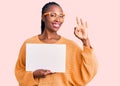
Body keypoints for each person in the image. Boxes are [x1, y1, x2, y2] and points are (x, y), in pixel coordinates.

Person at [15, 2, 98, 86]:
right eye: (53, 15)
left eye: (61, 16)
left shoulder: (71, 46)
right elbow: (19, 71)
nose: (58, 19)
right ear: (43, 17)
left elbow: (89, 70)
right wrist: (33, 75)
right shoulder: (29, 43)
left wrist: (85, 40)